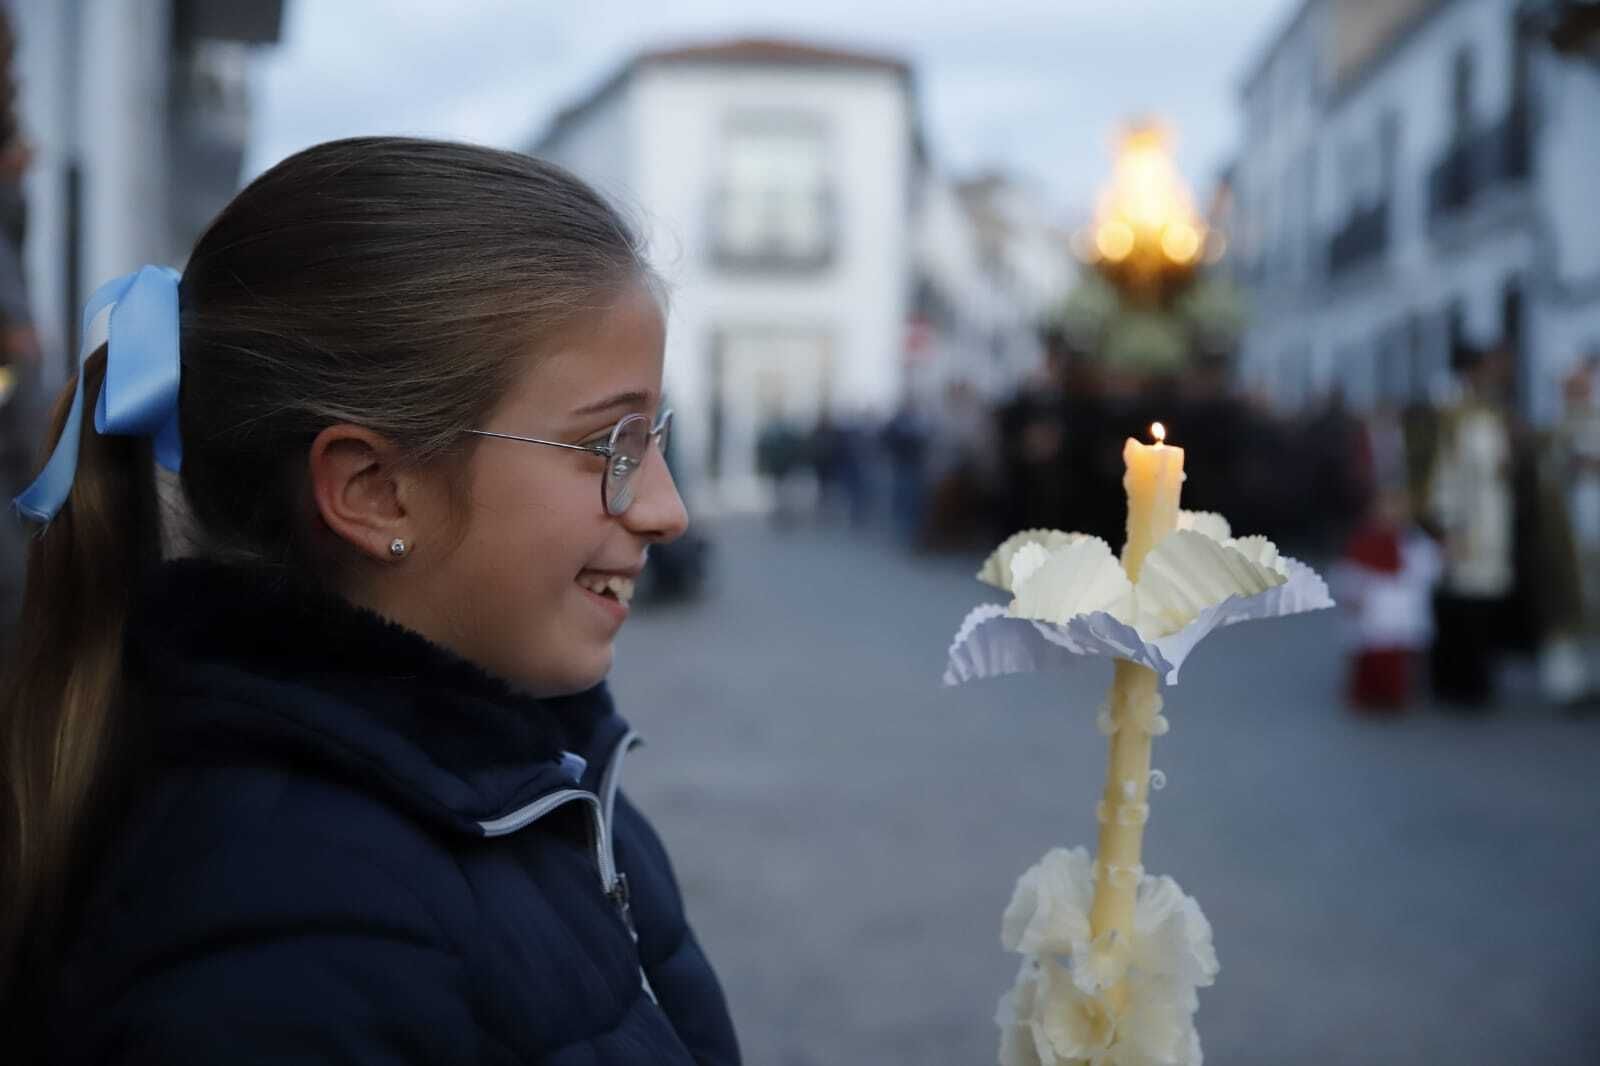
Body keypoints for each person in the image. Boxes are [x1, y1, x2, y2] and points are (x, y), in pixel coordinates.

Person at [0, 138, 741, 1065]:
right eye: (611, 447)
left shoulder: (547, 779)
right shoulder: (281, 947)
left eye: (656, 435)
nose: (667, 511)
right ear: (374, 490)